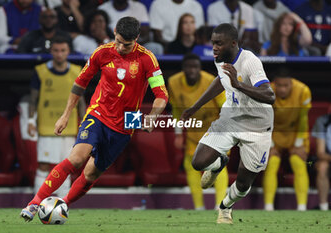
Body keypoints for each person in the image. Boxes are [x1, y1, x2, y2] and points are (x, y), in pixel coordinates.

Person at [20, 16, 168, 222]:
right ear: (114, 31)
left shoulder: (147, 59)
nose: (120, 47)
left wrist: (152, 117)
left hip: (127, 121)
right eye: (117, 40)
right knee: (77, 158)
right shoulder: (102, 52)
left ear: (137, 38)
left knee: (90, 174)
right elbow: (80, 83)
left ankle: (63, 205)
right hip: (98, 112)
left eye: (126, 44)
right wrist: (66, 115)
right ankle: (34, 203)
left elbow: (162, 94)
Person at [181, 23, 275, 224]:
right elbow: (221, 80)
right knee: (198, 162)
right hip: (230, 118)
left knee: (243, 183)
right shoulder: (220, 59)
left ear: (233, 43)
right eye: (213, 43)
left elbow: (269, 95)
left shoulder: (250, 62)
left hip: (257, 125)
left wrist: (239, 84)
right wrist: (196, 106)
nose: (214, 47)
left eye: (219, 43)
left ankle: (225, 207)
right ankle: (218, 164)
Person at [168, 53, 228, 210]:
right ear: (183, 69)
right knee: (191, 165)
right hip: (193, 132)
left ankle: (220, 205)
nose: (192, 70)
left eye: (195, 67)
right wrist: (178, 133)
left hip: (214, 129)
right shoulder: (173, 82)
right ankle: (199, 207)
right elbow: (175, 110)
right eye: (189, 67)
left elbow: (226, 107)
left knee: (218, 165)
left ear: (200, 69)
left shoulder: (212, 81)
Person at [27, 36, 86, 197]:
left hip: (69, 126)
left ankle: (62, 203)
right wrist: (31, 120)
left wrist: (86, 122)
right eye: (56, 50)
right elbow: (33, 99)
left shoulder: (76, 71)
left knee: (67, 165)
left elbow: (81, 101)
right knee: (44, 165)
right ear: (51, 51)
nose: (59, 54)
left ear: (68, 52)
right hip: (47, 126)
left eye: (63, 50)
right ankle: (37, 201)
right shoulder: (41, 71)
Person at [263, 68, 311, 211]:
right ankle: (268, 207)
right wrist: (270, 145)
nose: (282, 89)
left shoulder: (303, 91)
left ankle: (302, 207)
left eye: (286, 85)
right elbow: (263, 120)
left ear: (292, 83)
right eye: (279, 85)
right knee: (272, 163)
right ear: (274, 84)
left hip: (295, 134)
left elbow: (303, 119)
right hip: (273, 134)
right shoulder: (266, 91)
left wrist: (299, 144)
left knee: (298, 162)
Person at [312, 113, 331, 211]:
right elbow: (320, 153)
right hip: (328, 158)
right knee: (322, 166)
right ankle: (324, 206)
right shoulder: (322, 121)